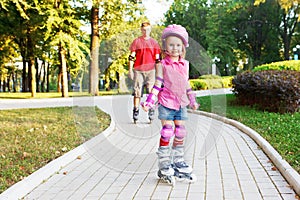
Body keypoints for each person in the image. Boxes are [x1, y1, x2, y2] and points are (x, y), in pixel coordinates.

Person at [141, 24, 199, 184]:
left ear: (183, 47)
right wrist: (149, 100)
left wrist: (192, 99)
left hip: (180, 103)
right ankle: (164, 163)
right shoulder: (162, 65)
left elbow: (186, 83)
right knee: (167, 131)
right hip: (166, 102)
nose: (175, 48)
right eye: (171, 44)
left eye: (178, 45)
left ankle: (178, 160)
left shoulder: (185, 65)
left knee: (180, 132)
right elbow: (158, 83)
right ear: (165, 45)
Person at [128, 22, 161, 123]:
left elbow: (157, 59)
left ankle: (150, 110)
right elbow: (131, 57)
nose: (146, 32)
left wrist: (159, 73)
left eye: (147, 29)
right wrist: (130, 70)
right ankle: (136, 110)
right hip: (138, 70)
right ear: (141, 30)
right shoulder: (137, 42)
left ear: (150, 30)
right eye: (144, 30)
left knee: (151, 91)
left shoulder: (154, 43)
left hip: (151, 71)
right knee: (137, 92)